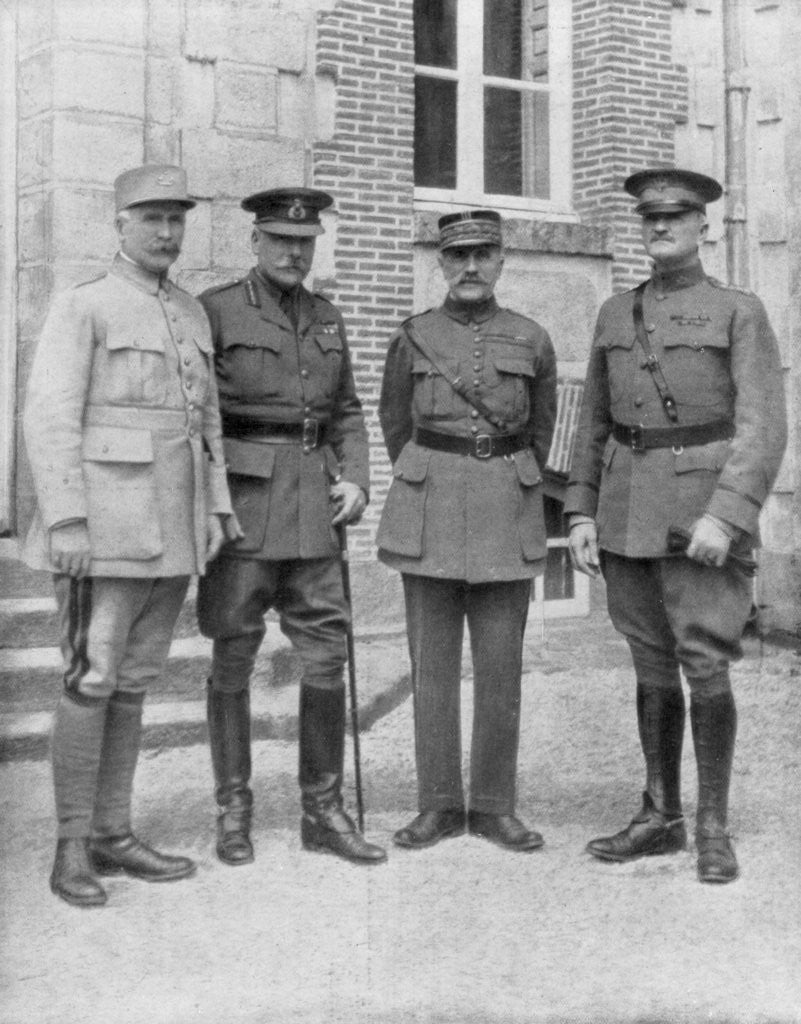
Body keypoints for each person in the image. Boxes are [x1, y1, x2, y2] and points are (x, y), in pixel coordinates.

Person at [566, 168, 788, 884]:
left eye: (676, 215)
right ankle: (659, 815)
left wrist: (727, 516)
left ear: (704, 228)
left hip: (699, 518)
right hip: (626, 512)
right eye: (649, 217)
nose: (659, 226)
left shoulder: (737, 311)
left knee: (703, 662)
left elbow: (762, 428)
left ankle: (712, 826)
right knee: (650, 663)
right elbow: (593, 423)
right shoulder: (612, 314)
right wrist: (577, 510)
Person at [24, 164, 237, 907]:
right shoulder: (83, 304)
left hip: (171, 525)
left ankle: (114, 832)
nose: (166, 231)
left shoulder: (189, 311)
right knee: (90, 675)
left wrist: (214, 508)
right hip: (105, 525)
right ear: (119, 223)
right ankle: (71, 844)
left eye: (176, 218)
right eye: (150, 218)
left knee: (136, 679)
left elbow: (203, 424)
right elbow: (49, 415)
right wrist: (67, 518)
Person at [197, 187, 386, 866]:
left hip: (313, 508)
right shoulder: (215, 311)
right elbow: (198, 418)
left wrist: (358, 478)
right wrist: (209, 502)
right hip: (243, 507)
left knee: (326, 659)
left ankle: (322, 810)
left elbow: (346, 412)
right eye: (280, 239)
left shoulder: (327, 316)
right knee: (233, 657)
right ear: (254, 241)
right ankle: (233, 810)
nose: (293, 251)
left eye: (304, 242)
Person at [377, 209, 557, 852]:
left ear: (503, 260)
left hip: (506, 510)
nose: (472, 267)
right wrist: (433, 474)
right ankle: (438, 805)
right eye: (459, 257)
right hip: (430, 510)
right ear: (441, 264)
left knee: (501, 666)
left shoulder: (531, 337)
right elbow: (395, 422)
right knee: (431, 667)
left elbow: (539, 430)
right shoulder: (414, 335)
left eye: (484, 254)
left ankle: (494, 805)